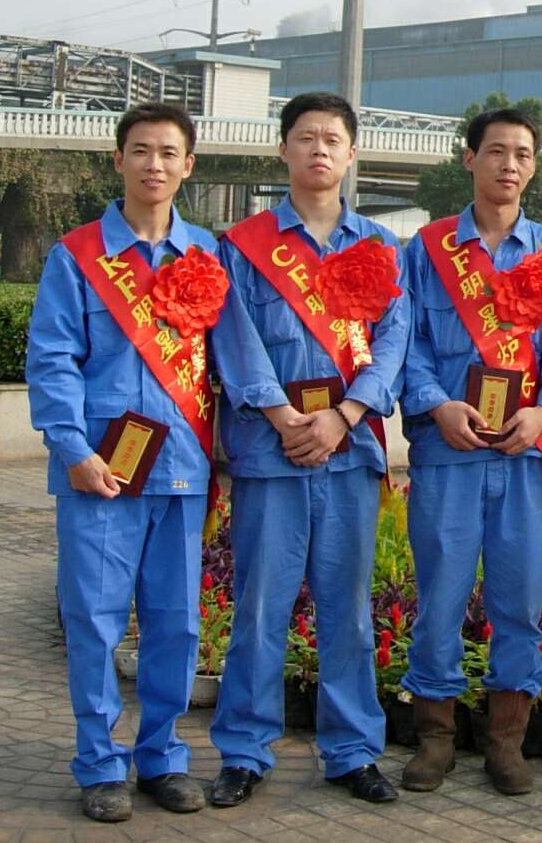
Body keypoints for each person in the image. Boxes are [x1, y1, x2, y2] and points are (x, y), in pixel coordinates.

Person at [207, 92, 409, 807]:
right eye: (305, 137)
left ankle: (352, 751)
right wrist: (285, 415)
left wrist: (345, 416)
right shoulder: (243, 247)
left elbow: (394, 341)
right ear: (283, 149)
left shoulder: (381, 247)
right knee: (260, 608)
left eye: (332, 139)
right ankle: (244, 751)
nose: (319, 149)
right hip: (272, 452)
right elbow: (235, 341)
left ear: (351, 153)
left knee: (346, 611)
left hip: (348, 453)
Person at [26, 103, 218, 822]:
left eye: (168, 153)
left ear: (188, 166)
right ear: (118, 160)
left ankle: (162, 756)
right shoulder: (77, 256)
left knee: (177, 625)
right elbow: (52, 358)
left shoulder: (208, 255)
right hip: (101, 474)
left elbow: (225, 361)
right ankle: (100, 763)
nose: (154, 165)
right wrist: (72, 450)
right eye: (140, 151)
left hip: (183, 468)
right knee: (96, 620)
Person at [399, 107, 542, 796]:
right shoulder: (427, 249)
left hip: (524, 457)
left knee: (519, 602)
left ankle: (507, 741)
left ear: (534, 166)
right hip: (450, 450)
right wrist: (435, 404)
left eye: (522, 153)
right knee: (439, 598)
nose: (509, 164)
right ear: (469, 157)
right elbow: (406, 344)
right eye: (496, 150)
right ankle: (435, 738)